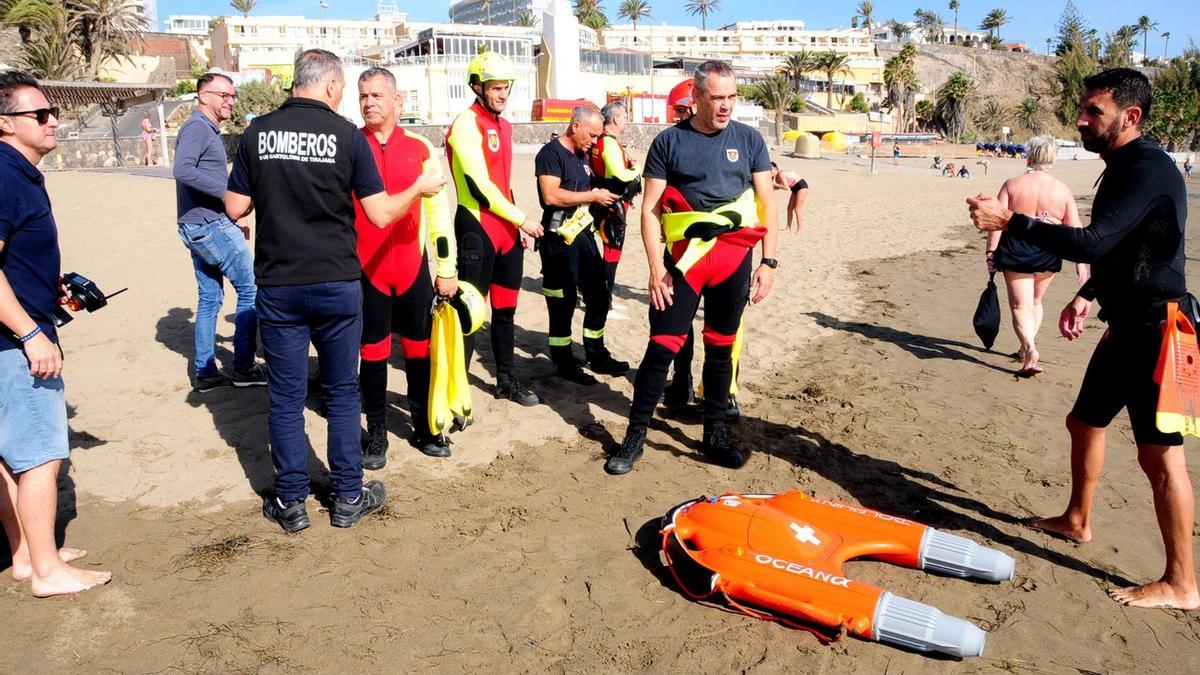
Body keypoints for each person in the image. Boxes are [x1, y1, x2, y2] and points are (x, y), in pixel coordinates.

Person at [968, 68, 1198, 610]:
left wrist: (1011, 220)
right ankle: (1077, 519)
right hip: (1129, 324)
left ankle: (1183, 582)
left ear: (1130, 117)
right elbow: (1125, 246)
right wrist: (1088, 294)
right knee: (1084, 421)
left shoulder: (1146, 167)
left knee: (1160, 457)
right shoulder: (1122, 166)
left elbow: (1093, 240)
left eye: (1094, 111)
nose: (1081, 119)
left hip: (1163, 330)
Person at [226, 49, 444, 532]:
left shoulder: (258, 132)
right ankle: (347, 495)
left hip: (280, 282)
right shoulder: (347, 137)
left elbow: (235, 206)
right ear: (329, 86)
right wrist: (418, 188)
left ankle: (291, 503)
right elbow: (382, 214)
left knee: (285, 396)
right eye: (345, 89)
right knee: (343, 391)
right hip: (337, 282)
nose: (348, 98)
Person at [605, 60, 778, 476]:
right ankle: (635, 435)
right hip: (682, 264)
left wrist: (769, 262)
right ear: (696, 97)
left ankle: (714, 433)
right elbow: (649, 210)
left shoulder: (749, 139)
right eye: (717, 97)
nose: (725, 106)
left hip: (734, 261)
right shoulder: (669, 142)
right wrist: (653, 268)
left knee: (721, 350)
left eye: (732, 97)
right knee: (661, 347)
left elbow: (766, 203)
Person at [0, 71, 112, 596]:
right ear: (5, 123)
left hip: (17, 332)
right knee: (42, 457)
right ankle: (48, 572)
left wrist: (52, 289)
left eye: (52, 112)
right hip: (14, 343)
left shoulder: (20, 173)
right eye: (39, 115)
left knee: (10, 457)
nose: (52, 121)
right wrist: (29, 333)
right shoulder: (4, 172)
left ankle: (28, 554)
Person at [353, 67, 458, 465]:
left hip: (412, 266)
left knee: (419, 351)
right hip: (368, 269)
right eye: (363, 96)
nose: (368, 103)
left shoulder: (419, 148)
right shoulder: (351, 144)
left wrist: (446, 266)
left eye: (377, 95)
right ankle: (377, 433)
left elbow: (438, 212)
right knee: (373, 353)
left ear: (397, 101)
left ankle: (426, 427)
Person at [446, 48, 541, 407]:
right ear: (477, 86)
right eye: (495, 87)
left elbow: (503, 183)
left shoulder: (505, 125)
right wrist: (523, 220)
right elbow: (480, 187)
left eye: (506, 87)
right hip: (477, 227)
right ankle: (456, 391)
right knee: (470, 314)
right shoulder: (465, 123)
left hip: (506, 231)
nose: (502, 93)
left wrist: (516, 224)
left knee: (506, 311)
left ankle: (506, 381)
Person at [173, 71, 267, 393]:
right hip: (207, 226)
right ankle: (243, 366)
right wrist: (229, 193)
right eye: (223, 95)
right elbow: (182, 170)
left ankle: (207, 372)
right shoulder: (198, 128)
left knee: (210, 297)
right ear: (203, 96)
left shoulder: (204, 129)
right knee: (251, 288)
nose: (230, 101)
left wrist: (231, 215)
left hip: (200, 224)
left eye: (232, 95)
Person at [535, 105, 625, 384]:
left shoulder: (582, 155)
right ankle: (563, 361)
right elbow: (550, 196)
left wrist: (607, 197)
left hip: (583, 233)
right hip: (558, 237)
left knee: (599, 295)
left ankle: (596, 353)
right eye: (592, 134)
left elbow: (587, 188)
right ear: (575, 126)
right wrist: (593, 197)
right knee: (563, 301)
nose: (595, 141)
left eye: (599, 136)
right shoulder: (550, 154)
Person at [985, 136, 1087, 376]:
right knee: (1036, 302)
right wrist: (1081, 264)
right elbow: (1076, 229)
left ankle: (1029, 349)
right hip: (1048, 250)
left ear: (1029, 156)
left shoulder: (1012, 184)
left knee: (1020, 306)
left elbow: (996, 222)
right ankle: (1024, 347)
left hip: (1017, 250)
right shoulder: (1061, 189)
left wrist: (991, 252)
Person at [588, 101, 641, 305]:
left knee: (610, 249)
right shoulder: (608, 142)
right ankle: (604, 298)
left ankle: (602, 294)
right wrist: (636, 169)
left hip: (609, 202)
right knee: (612, 250)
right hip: (613, 204)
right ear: (616, 119)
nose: (626, 121)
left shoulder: (602, 141)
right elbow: (619, 174)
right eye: (625, 117)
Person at [770, 161, 810, 233]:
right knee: (789, 208)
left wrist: (773, 185)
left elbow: (786, 187)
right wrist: (772, 187)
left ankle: (800, 229)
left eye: (771, 170)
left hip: (802, 186)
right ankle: (788, 228)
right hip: (794, 188)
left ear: (776, 169)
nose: (770, 173)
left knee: (797, 209)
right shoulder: (776, 177)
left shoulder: (781, 174)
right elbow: (780, 187)